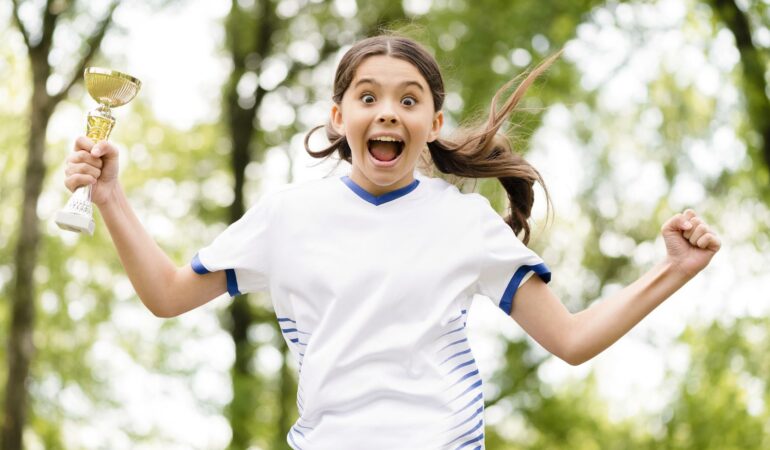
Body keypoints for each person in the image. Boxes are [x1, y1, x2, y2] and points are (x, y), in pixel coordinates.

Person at [63, 35, 721, 450]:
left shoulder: (467, 225)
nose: (386, 111)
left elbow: (572, 340)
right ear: (337, 115)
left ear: (432, 123)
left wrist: (675, 268)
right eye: (367, 95)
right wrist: (112, 198)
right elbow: (168, 296)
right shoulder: (288, 216)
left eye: (408, 100)